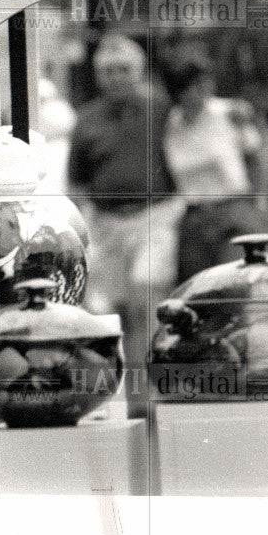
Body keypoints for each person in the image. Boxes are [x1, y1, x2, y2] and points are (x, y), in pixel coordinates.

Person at [66, 34, 182, 418]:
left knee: (146, 298)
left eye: (124, 69)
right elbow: (77, 182)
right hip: (106, 222)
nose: (117, 77)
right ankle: (121, 400)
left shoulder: (162, 108)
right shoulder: (86, 118)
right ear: (98, 76)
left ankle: (150, 395)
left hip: (156, 215)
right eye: (108, 71)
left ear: (140, 71)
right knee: (110, 310)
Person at [162, 55, 268, 284]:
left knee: (236, 282)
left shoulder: (229, 113)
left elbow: (257, 156)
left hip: (233, 210)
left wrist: (260, 200)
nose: (204, 90)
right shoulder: (171, 123)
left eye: (206, 83)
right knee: (198, 287)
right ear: (180, 91)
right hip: (195, 217)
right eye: (196, 86)